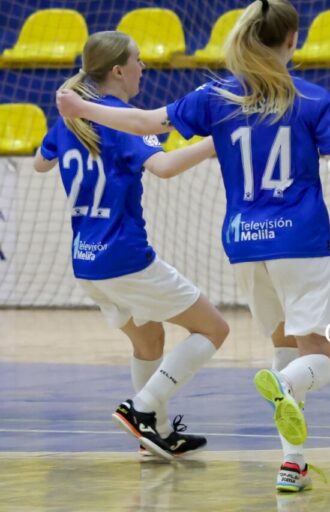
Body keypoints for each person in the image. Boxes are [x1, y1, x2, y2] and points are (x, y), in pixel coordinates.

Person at [56, 0, 330, 492]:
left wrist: (80, 107)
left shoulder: (216, 96)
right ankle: (284, 396)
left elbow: (148, 124)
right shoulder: (311, 100)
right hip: (300, 241)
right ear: (291, 41)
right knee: (318, 359)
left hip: (244, 244)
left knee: (283, 348)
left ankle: (292, 461)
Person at [34, 31, 229, 460]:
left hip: (86, 263)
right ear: (118, 69)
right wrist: (216, 142)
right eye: (139, 60)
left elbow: (40, 162)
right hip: (125, 257)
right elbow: (163, 167)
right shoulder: (119, 119)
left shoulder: (69, 118)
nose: (144, 67)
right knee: (215, 329)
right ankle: (141, 411)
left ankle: (154, 434)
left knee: (149, 340)